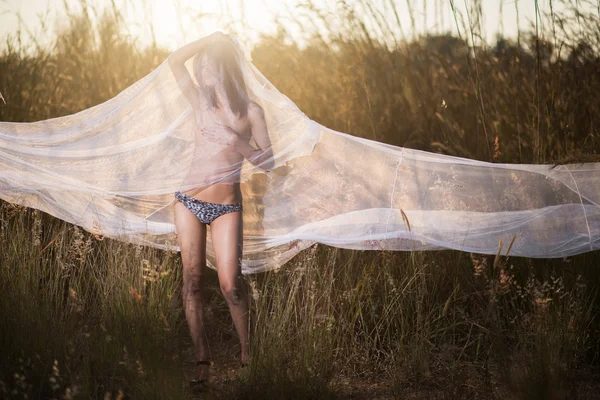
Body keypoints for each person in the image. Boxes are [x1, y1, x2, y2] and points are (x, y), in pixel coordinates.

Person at [167, 31, 274, 388]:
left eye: (209, 65)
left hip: (227, 207)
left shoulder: (251, 112)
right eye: (201, 65)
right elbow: (173, 61)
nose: (201, 71)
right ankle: (202, 360)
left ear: (225, 67)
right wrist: (206, 41)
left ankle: (248, 357)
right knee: (193, 281)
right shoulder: (199, 101)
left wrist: (236, 141)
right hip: (189, 201)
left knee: (231, 285)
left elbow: (269, 162)